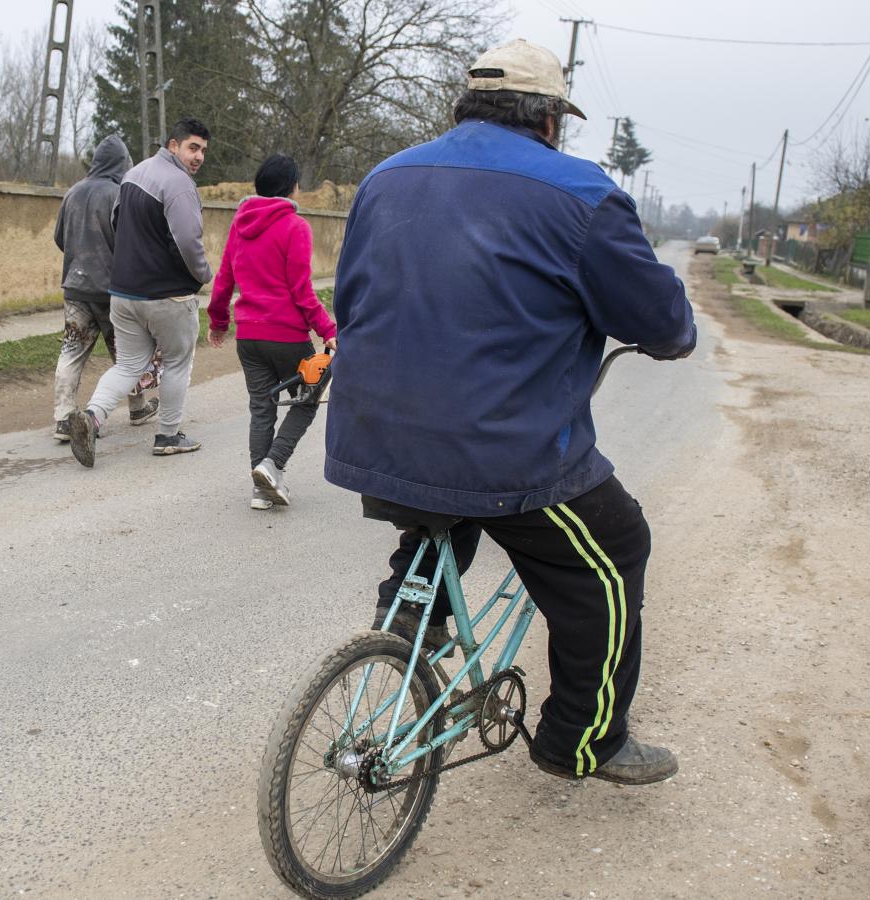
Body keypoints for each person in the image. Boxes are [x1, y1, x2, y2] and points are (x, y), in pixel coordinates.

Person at [324, 39, 697, 786]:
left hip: (371, 437)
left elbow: (351, 299)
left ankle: (407, 625)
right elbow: (662, 319)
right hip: (505, 454)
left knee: (441, 505)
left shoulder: (386, 177)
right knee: (615, 549)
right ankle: (582, 742)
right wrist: (671, 337)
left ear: (465, 104)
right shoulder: (581, 195)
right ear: (551, 119)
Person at [69, 118, 214, 467]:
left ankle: (91, 417)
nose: (198, 157)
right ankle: (168, 435)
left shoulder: (132, 176)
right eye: (193, 147)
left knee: (130, 364)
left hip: (123, 292)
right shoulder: (179, 184)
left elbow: (118, 224)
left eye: (204, 151)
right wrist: (203, 275)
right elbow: (187, 243)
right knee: (178, 361)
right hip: (168, 296)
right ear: (173, 144)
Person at [207, 155, 337, 510]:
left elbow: (224, 280)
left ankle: (260, 488)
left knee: (262, 408)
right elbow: (301, 290)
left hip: (249, 335)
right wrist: (328, 329)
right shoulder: (295, 227)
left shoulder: (239, 224)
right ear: (292, 186)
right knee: (308, 399)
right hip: (287, 335)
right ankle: (273, 464)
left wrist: (219, 322)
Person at [50, 135, 162, 442]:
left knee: (72, 352)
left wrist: (79, 259)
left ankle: (63, 419)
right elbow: (131, 243)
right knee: (128, 354)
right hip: (113, 291)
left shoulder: (72, 193)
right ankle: (138, 408)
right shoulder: (120, 194)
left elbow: (60, 238)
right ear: (122, 163)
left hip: (76, 288)